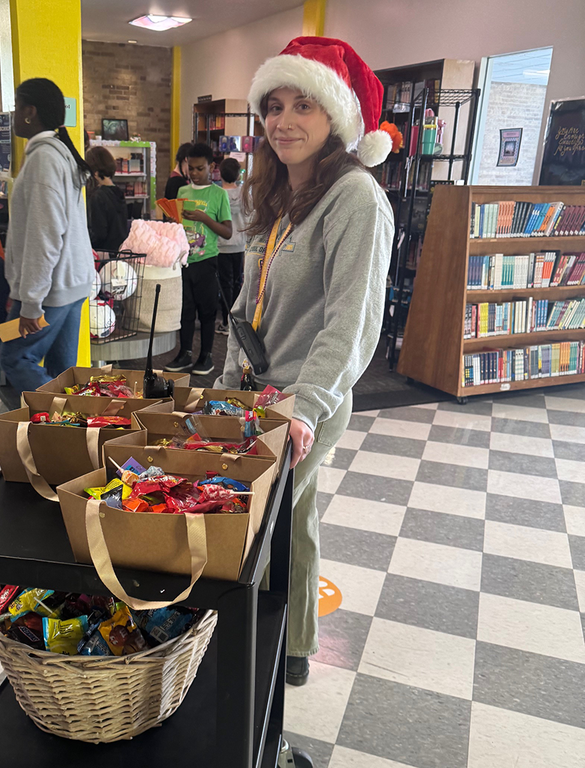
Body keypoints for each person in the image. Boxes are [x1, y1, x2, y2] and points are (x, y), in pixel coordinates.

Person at [215, 36, 394, 686]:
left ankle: (259, 645)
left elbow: (353, 321)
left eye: (304, 105)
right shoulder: (274, 196)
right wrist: (225, 380)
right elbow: (246, 301)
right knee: (292, 515)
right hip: (258, 393)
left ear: (336, 118)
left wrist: (307, 407)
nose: (285, 120)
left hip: (304, 403)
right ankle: (292, 644)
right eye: (274, 105)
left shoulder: (355, 198)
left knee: (257, 520)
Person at [0, 78, 95, 394]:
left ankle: (72, 422)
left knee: (15, 359)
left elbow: (45, 234)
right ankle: (71, 436)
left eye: (16, 108)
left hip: (52, 287)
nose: (12, 116)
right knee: (61, 373)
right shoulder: (59, 153)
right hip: (71, 281)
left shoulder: (44, 157)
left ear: (29, 111)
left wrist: (31, 301)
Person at [164, 143, 232, 377]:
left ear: (211, 167)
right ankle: (185, 353)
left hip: (208, 260)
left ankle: (207, 356)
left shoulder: (219, 194)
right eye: (190, 168)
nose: (194, 173)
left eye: (199, 168)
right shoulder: (183, 192)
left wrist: (203, 218)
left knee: (207, 311)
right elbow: (178, 225)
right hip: (184, 260)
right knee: (185, 310)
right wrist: (173, 223)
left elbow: (227, 232)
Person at [216, 157, 248, 334]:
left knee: (225, 284)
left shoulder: (218, 195)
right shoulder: (245, 195)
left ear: (220, 174)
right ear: (237, 175)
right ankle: (236, 320)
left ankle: (227, 323)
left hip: (222, 245)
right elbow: (251, 217)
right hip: (241, 245)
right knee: (238, 282)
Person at [85, 145, 129, 251]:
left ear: (94, 172)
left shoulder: (97, 197)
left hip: (103, 255)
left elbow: (98, 234)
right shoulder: (118, 192)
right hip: (119, 252)